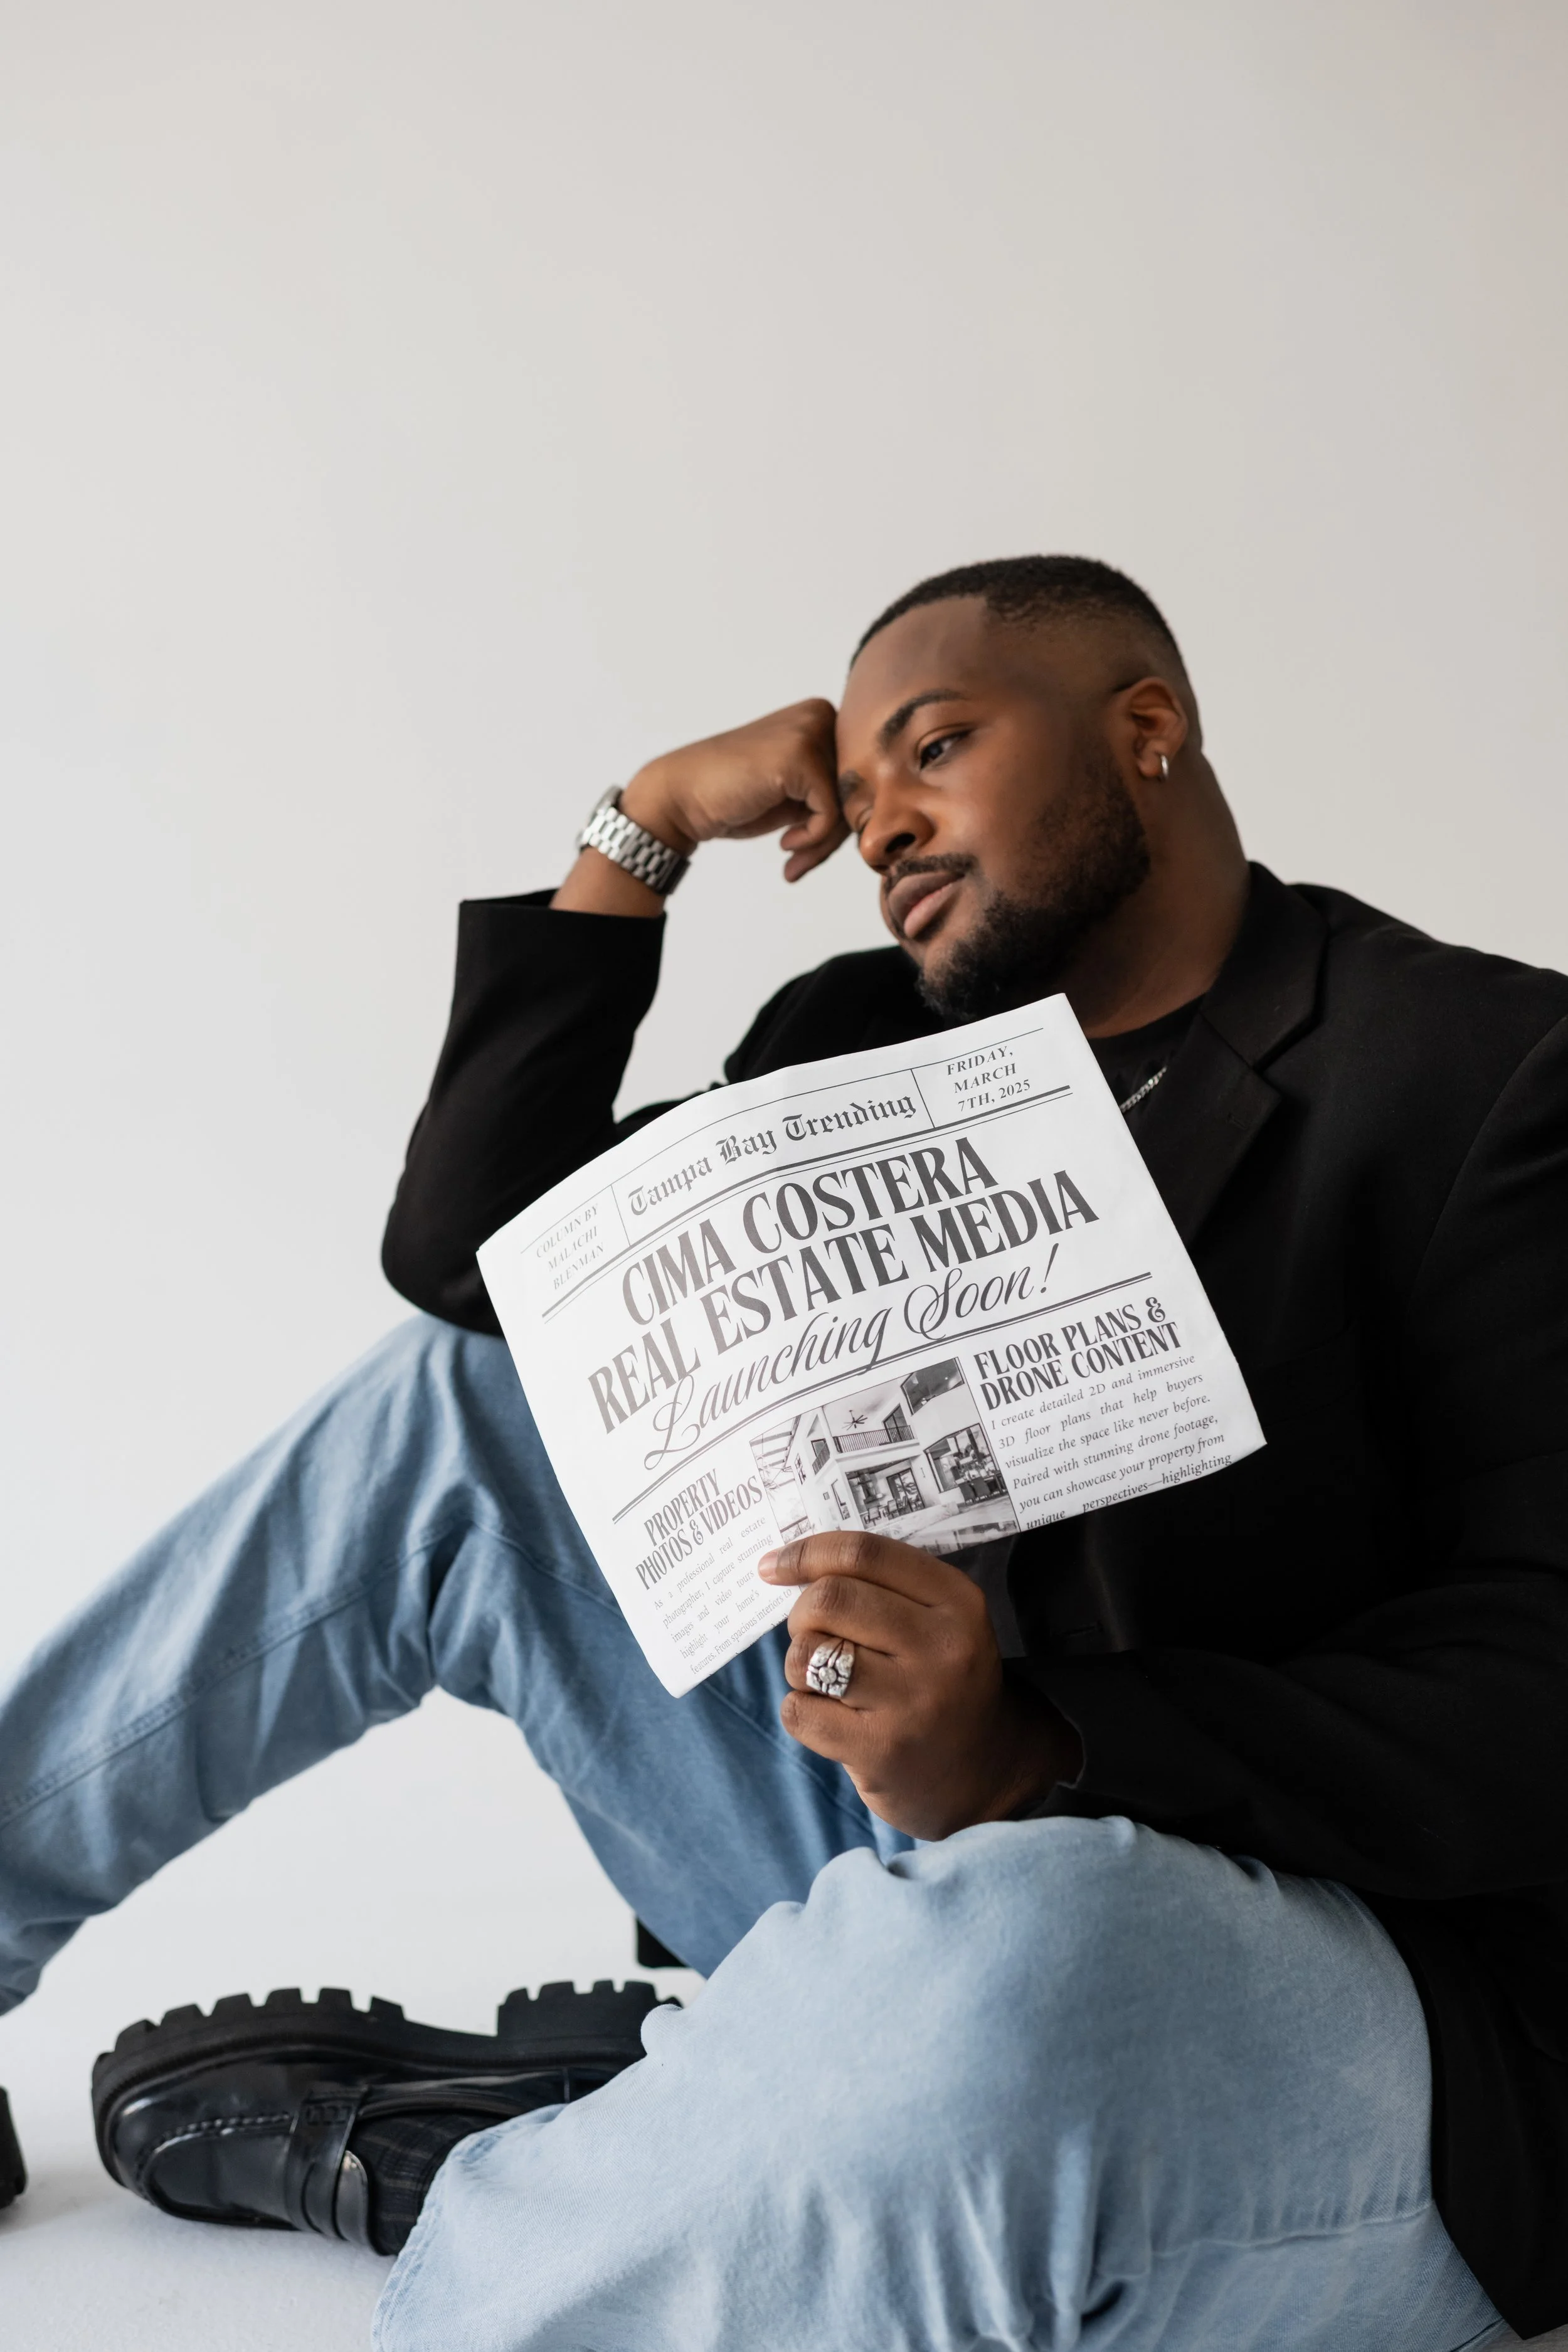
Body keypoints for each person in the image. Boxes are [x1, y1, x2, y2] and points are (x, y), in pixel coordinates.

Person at [2, 554, 1565, 2352]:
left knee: (1019, 1930)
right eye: (862, 783)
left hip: (1320, 1994)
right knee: (469, 1399)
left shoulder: (1489, 1072)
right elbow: (479, 1266)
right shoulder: (861, 1039)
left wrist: (1041, 1748)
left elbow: (1542, 1683)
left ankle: (602, 2159)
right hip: (885, 1857)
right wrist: (642, 825)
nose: (884, 821)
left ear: (1144, 730)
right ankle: (712, 2121)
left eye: (938, 747)